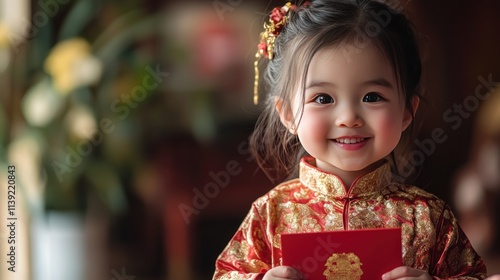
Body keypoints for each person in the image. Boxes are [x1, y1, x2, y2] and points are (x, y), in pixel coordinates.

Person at [213, 0, 488, 279]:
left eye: (372, 97)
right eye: (323, 98)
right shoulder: (270, 214)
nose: (348, 117)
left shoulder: (429, 217)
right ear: (288, 114)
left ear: (407, 112)